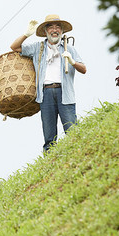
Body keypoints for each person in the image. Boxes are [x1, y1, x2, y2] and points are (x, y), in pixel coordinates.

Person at [10, 14, 87, 151]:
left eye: (58, 27)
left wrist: (72, 61)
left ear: (62, 31)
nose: (54, 30)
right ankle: (50, 166)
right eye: (50, 27)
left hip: (65, 93)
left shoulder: (69, 49)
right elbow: (14, 47)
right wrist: (26, 34)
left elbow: (84, 69)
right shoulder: (38, 48)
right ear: (46, 31)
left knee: (73, 131)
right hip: (46, 94)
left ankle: (78, 157)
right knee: (49, 137)